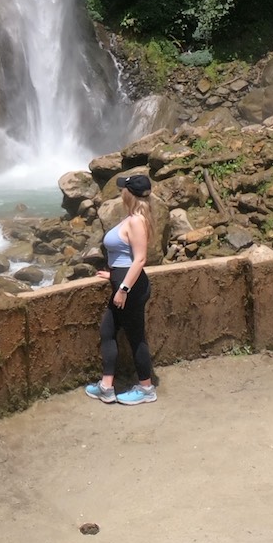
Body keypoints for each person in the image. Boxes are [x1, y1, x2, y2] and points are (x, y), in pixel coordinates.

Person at [85, 171, 157, 406]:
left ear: (129, 193)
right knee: (108, 331)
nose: (120, 192)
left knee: (136, 337)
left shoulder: (136, 221)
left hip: (131, 287)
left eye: (122, 189)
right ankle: (106, 386)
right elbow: (125, 256)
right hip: (123, 279)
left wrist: (123, 287)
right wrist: (113, 274)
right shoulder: (134, 216)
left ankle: (146, 389)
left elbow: (140, 259)